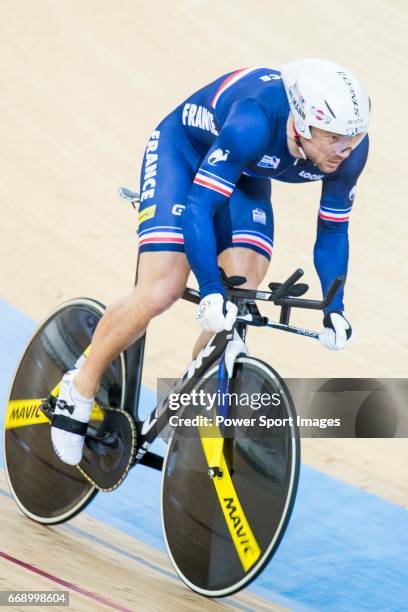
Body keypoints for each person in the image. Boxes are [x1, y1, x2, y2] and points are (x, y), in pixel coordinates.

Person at [51, 58, 370, 465]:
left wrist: (335, 307)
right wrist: (209, 289)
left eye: (354, 138)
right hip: (183, 152)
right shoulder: (254, 121)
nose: (344, 150)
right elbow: (199, 207)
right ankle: (78, 387)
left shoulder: (348, 151)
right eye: (334, 138)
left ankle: (181, 402)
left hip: (244, 169)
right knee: (162, 287)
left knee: (239, 300)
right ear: (301, 125)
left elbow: (332, 233)